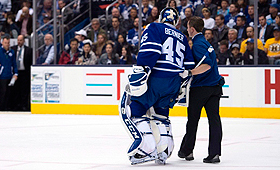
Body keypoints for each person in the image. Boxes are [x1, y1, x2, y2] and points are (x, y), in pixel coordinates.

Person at [120, 7, 194, 165]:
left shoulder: (154, 27)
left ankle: (146, 147)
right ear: (176, 22)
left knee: (134, 108)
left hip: (156, 78)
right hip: (173, 82)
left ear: (161, 18)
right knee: (161, 115)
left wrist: (143, 69)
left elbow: (150, 50)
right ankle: (164, 150)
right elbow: (188, 66)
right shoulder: (182, 36)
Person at [178, 16, 223, 163]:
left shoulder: (197, 43)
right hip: (214, 87)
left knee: (192, 121)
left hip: (201, 88)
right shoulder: (205, 42)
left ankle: (187, 151)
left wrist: (190, 72)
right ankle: (214, 153)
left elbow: (207, 65)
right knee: (214, 121)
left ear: (192, 29)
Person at [10, 35, 32, 111]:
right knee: (16, 90)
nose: (19, 42)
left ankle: (24, 105)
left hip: (24, 73)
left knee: (24, 90)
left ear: (24, 41)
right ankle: (16, 105)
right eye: (18, 40)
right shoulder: (13, 49)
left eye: (20, 40)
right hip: (15, 73)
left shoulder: (29, 50)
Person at [0, 35, 18, 111]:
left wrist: (16, 73)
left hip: (9, 76)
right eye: (5, 43)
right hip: (1, 76)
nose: (7, 44)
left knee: (9, 93)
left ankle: (7, 108)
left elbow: (14, 63)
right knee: (2, 93)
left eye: (8, 43)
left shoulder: (11, 52)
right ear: (2, 43)